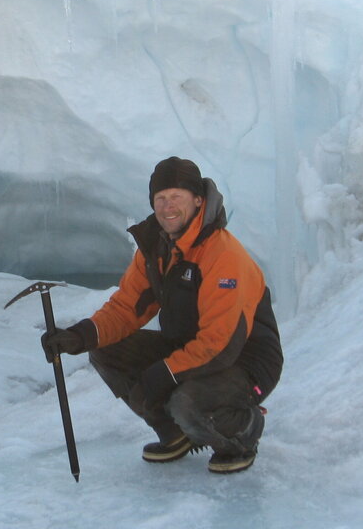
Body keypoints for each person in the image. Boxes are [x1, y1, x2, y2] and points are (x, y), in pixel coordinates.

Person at [41, 157, 283, 474]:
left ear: (198, 200)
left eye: (177, 196)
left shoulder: (223, 255)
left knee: (188, 401)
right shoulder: (157, 248)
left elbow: (220, 344)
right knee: (105, 349)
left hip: (243, 360)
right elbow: (128, 307)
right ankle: (175, 433)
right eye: (160, 198)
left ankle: (242, 434)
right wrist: (81, 335)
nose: (168, 206)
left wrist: (165, 373)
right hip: (188, 347)